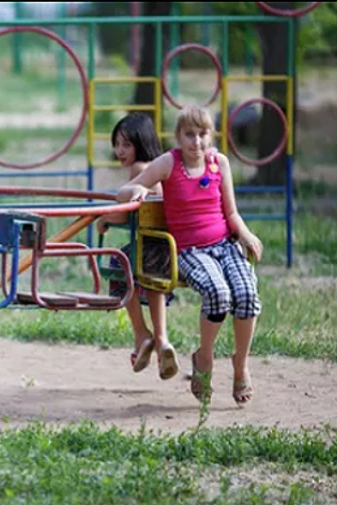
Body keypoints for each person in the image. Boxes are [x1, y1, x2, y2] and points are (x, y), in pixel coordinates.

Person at [116, 106, 263, 406]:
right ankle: (204, 358)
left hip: (225, 245)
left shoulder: (219, 163)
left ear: (211, 136)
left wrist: (246, 234)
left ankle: (240, 364)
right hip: (190, 250)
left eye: (202, 134)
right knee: (218, 293)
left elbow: (231, 213)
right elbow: (127, 189)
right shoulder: (169, 162)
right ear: (179, 136)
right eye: (189, 135)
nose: (196, 142)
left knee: (247, 294)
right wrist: (137, 190)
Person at [97, 113, 179, 380]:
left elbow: (125, 213)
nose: (120, 151)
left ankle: (141, 334)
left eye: (127, 145)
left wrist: (103, 219)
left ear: (141, 144)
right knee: (151, 278)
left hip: (149, 245)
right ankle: (162, 339)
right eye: (117, 144)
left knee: (119, 262)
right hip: (168, 247)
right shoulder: (162, 168)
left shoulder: (139, 170)